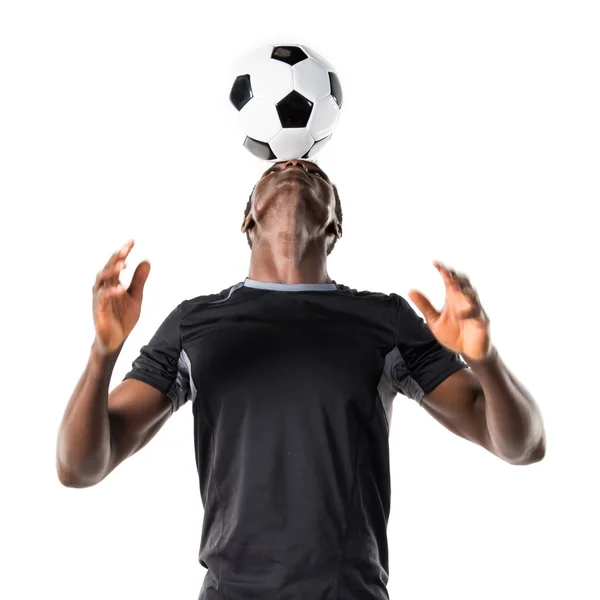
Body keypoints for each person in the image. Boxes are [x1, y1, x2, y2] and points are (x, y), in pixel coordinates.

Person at [56, 158, 546, 600]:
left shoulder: (385, 320)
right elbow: (79, 468)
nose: (293, 165)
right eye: (273, 169)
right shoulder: (194, 323)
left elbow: (522, 446)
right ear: (249, 218)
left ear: (334, 224)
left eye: (316, 173)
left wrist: (485, 359)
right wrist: (104, 353)